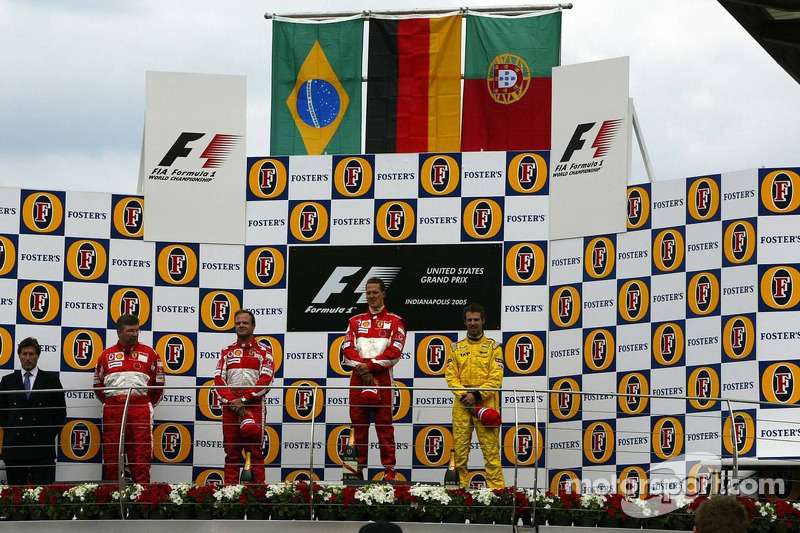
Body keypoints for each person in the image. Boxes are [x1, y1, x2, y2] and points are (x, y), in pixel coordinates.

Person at [342, 277, 406, 481]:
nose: (371, 296)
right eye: (368, 292)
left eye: (375, 292)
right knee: (358, 427)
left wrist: (369, 366)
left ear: (383, 293)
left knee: (384, 428)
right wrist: (363, 369)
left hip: (383, 380)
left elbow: (395, 352)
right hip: (358, 379)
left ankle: (389, 471)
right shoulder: (355, 321)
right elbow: (346, 349)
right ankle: (356, 470)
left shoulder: (396, 321)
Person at [93, 314, 165, 483]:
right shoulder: (106, 355)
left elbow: (159, 386)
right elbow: (98, 385)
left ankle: (142, 501)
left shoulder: (150, 353)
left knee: (141, 456)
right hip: (113, 409)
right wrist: (113, 402)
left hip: (140, 408)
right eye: (130, 331)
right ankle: (113, 499)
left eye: (137, 330)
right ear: (119, 333)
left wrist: (144, 404)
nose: (134, 334)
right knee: (112, 456)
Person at [445, 302, 505, 489]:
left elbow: (496, 379)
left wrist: (477, 395)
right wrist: (466, 397)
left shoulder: (494, 347)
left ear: (483, 321)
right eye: (469, 320)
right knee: (460, 455)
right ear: (465, 322)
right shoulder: (455, 348)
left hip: (486, 405)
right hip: (462, 406)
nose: (473, 323)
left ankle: (497, 496)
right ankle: (458, 495)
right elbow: (450, 376)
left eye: (476, 319)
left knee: (491, 454)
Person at [214, 309, 274, 484]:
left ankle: (257, 494)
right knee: (231, 452)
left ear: (253, 326)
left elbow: (266, 379)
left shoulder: (264, 351)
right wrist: (233, 402)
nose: (241, 325)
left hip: (253, 406)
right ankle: (231, 495)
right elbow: (218, 379)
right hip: (230, 406)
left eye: (245, 323)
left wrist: (245, 400)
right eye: (238, 323)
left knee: (255, 452)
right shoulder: (227, 351)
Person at [0, 337, 67, 485]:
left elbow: (60, 413)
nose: (28, 358)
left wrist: (46, 433)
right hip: (15, 447)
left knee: (44, 495)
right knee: (16, 496)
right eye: (24, 354)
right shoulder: (7, 381)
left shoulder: (51, 381)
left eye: (31, 354)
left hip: (42, 447)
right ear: (19, 355)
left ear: (38, 356)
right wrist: (13, 428)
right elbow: (2, 413)